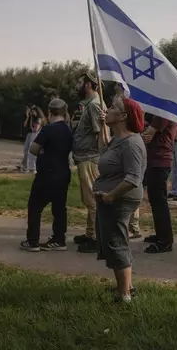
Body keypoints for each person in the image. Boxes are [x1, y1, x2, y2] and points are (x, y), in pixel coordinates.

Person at [94, 95, 146, 303]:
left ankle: (124, 295)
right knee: (111, 241)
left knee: (116, 242)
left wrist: (110, 195)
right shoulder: (118, 139)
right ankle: (125, 286)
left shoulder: (132, 144)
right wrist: (102, 126)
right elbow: (103, 149)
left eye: (113, 107)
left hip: (120, 200)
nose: (108, 109)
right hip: (110, 199)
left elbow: (133, 178)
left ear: (123, 116)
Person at [20, 99, 73, 251]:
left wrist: (44, 150)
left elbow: (34, 149)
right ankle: (59, 239)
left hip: (46, 173)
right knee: (59, 208)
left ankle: (32, 241)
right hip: (63, 172)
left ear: (49, 112)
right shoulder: (68, 130)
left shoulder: (48, 129)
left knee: (35, 207)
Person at [72, 73, 107, 253]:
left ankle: (95, 238)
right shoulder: (92, 105)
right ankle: (89, 233)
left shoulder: (94, 106)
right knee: (89, 199)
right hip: (85, 157)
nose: (78, 85)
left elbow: (99, 134)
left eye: (80, 82)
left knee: (92, 200)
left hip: (90, 158)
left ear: (89, 85)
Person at [141, 115, 177, 253]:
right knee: (155, 200)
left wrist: (143, 128)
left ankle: (165, 241)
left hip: (160, 161)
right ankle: (161, 234)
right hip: (156, 160)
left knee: (159, 202)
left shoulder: (162, 114)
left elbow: (147, 135)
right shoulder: (161, 114)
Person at [22, 105, 45, 172]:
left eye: (33, 112)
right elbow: (25, 125)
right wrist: (29, 116)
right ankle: (28, 167)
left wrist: (32, 126)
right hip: (32, 134)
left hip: (35, 134)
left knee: (32, 151)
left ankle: (33, 167)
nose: (32, 113)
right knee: (28, 151)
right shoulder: (33, 118)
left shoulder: (38, 119)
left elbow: (35, 129)